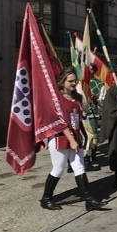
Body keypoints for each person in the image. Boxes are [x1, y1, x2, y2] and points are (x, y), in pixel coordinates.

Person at [40, 68, 107, 211]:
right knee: (58, 169)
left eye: (74, 81)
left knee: (79, 167)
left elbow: (85, 112)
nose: (73, 83)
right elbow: (61, 121)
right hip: (60, 137)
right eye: (70, 81)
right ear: (62, 82)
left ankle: (89, 200)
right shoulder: (57, 98)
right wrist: (71, 140)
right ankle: (46, 199)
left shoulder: (77, 97)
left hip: (75, 135)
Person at [84, 63, 104, 171]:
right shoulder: (80, 82)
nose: (89, 71)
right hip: (82, 113)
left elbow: (101, 100)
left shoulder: (99, 83)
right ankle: (84, 156)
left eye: (91, 69)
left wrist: (94, 96)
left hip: (93, 111)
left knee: (94, 133)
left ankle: (93, 153)